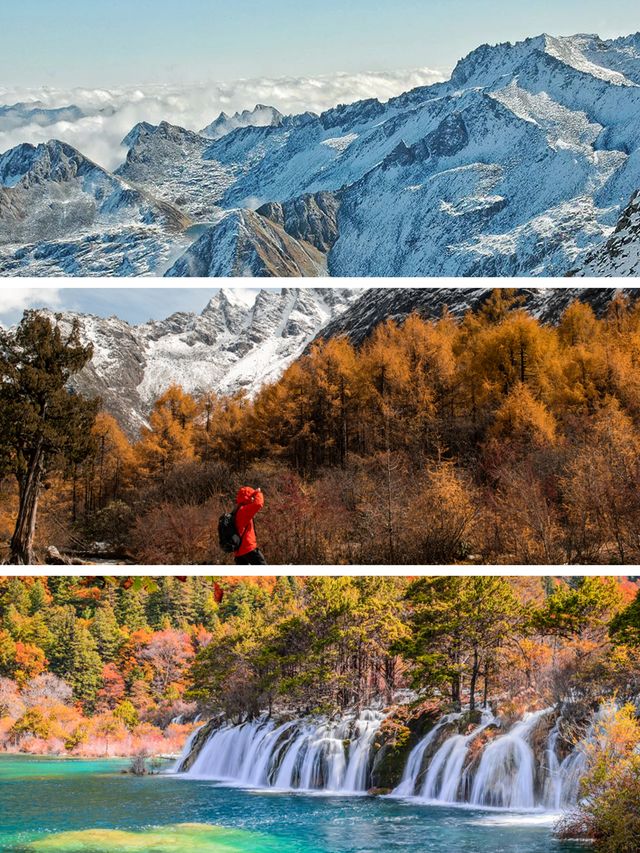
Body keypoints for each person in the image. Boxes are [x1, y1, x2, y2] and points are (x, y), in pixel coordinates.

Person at [234, 486, 266, 565]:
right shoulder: (243, 511)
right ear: (247, 498)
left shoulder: (237, 510)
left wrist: (253, 493)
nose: (253, 499)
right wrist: (258, 493)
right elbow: (258, 504)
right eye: (252, 497)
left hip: (238, 552)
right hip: (248, 549)